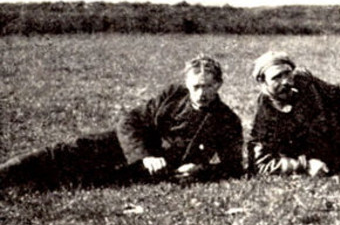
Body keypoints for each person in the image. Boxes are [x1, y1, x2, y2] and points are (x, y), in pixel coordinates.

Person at [0, 55, 244, 191]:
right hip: (130, 147)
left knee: (76, 179)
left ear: (219, 84)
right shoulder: (173, 95)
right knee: (67, 151)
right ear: (187, 84)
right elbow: (130, 120)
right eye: (196, 86)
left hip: (158, 170)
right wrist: (144, 155)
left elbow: (233, 167)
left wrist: (200, 170)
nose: (201, 93)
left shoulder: (227, 120)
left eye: (208, 86)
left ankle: (17, 187)